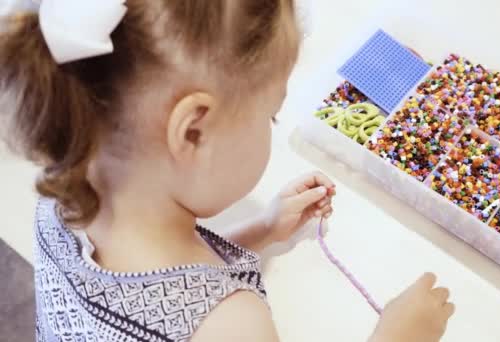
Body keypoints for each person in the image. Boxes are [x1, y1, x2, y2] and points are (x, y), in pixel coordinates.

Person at [0, 1, 455, 341]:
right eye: (270, 116)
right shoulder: (234, 326)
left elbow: (156, 291)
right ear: (195, 131)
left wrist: (261, 230)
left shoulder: (63, 193)